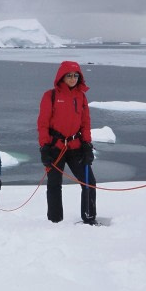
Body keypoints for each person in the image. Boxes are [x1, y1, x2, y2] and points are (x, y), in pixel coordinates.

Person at [37, 61, 97, 224]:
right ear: (62, 77)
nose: (72, 78)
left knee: (89, 182)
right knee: (54, 184)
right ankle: (55, 221)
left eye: (76, 75)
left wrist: (87, 145)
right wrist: (44, 147)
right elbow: (43, 123)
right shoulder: (50, 96)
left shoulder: (81, 96)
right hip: (55, 147)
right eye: (69, 75)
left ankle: (89, 218)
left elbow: (85, 122)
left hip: (76, 146)